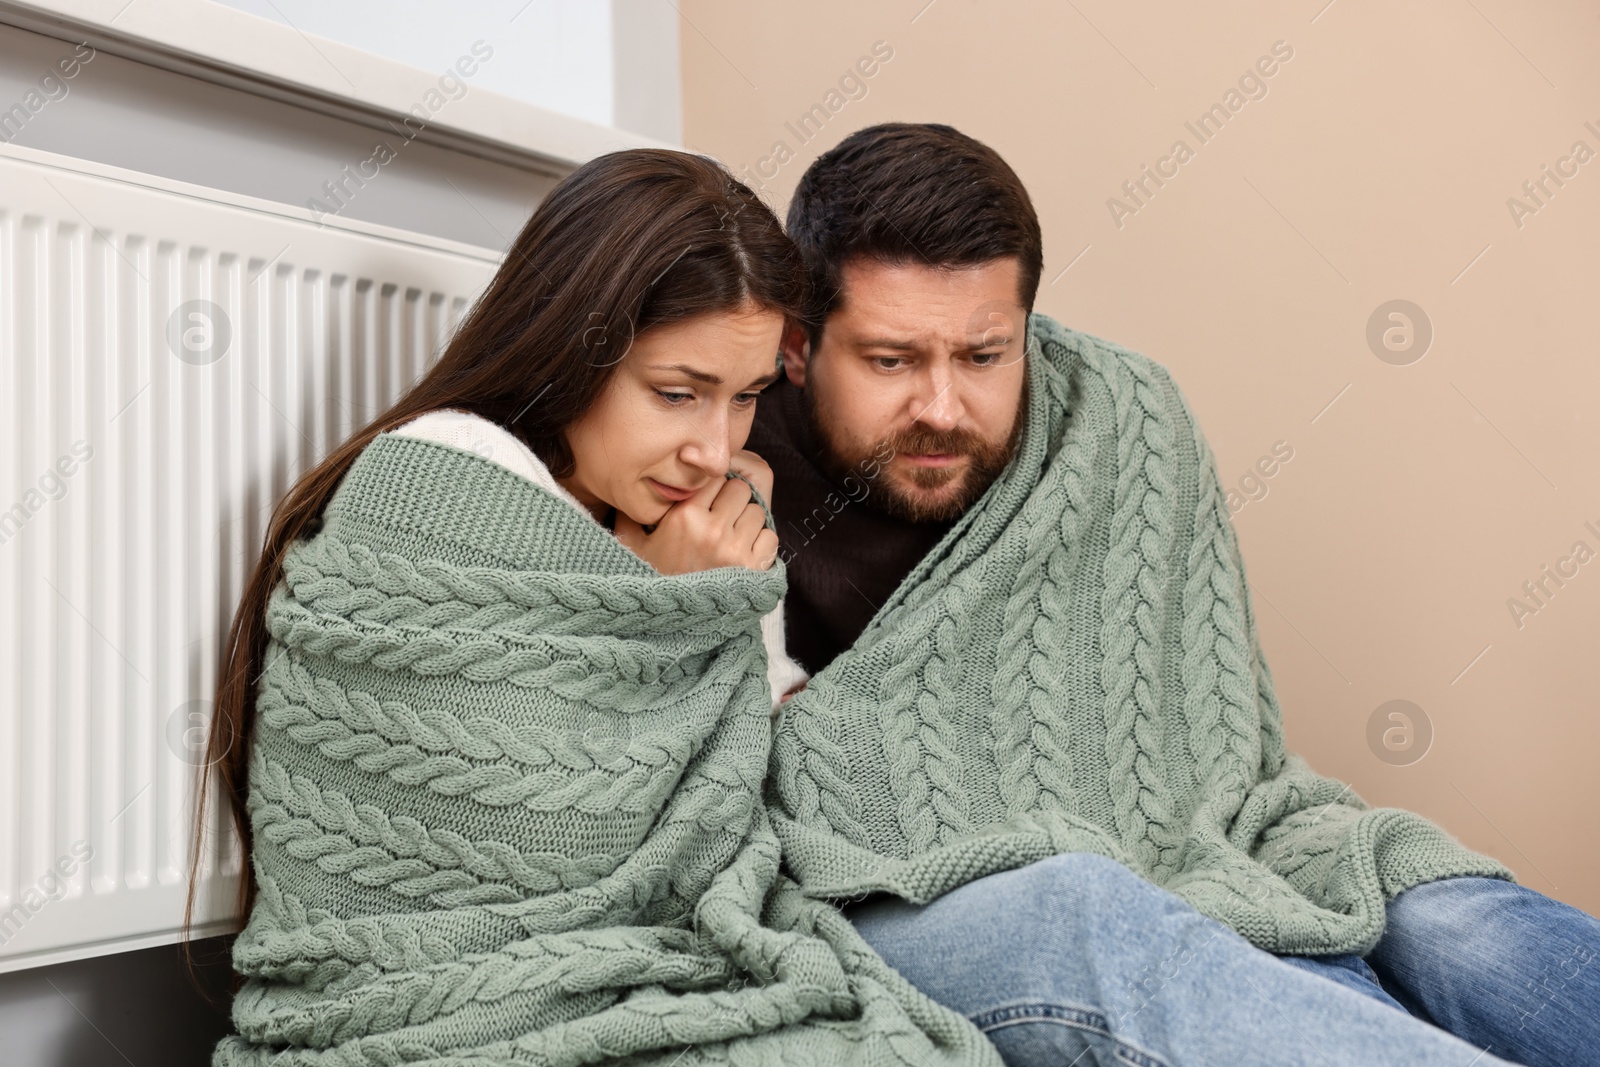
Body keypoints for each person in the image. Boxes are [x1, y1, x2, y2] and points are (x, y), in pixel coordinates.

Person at [741, 123, 1600, 1067]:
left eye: (985, 356)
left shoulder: (1121, 416)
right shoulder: (715, 455)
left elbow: (1210, 754)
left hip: (1194, 830)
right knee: (1087, 907)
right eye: (892, 361)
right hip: (888, 887)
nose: (943, 407)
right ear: (796, 343)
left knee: (1447, 911)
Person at [186, 149, 1005, 1066]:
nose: (711, 447)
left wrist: (704, 606)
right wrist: (668, 607)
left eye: (745, 400)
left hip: (650, 965)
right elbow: (536, 837)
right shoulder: (439, 484)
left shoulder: (700, 512)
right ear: (573, 346)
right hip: (429, 1001)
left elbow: (751, 787)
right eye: (675, 393)